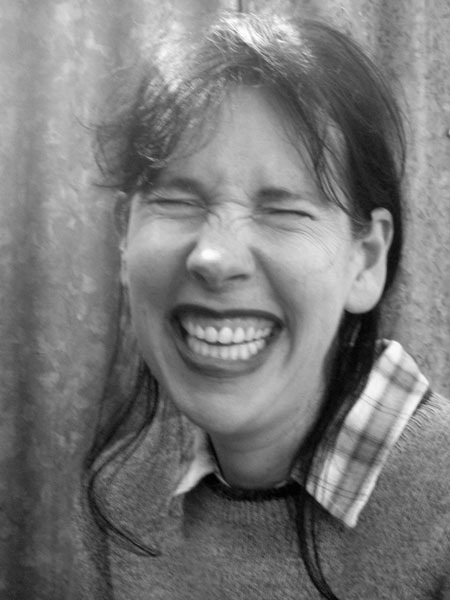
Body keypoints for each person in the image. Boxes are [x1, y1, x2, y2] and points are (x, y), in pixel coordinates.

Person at [74, 11, 450, 600]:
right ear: (124, 235)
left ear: (367, 259)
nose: (214, 257)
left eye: (283, 210)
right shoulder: (123, 493)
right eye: (177, 200)